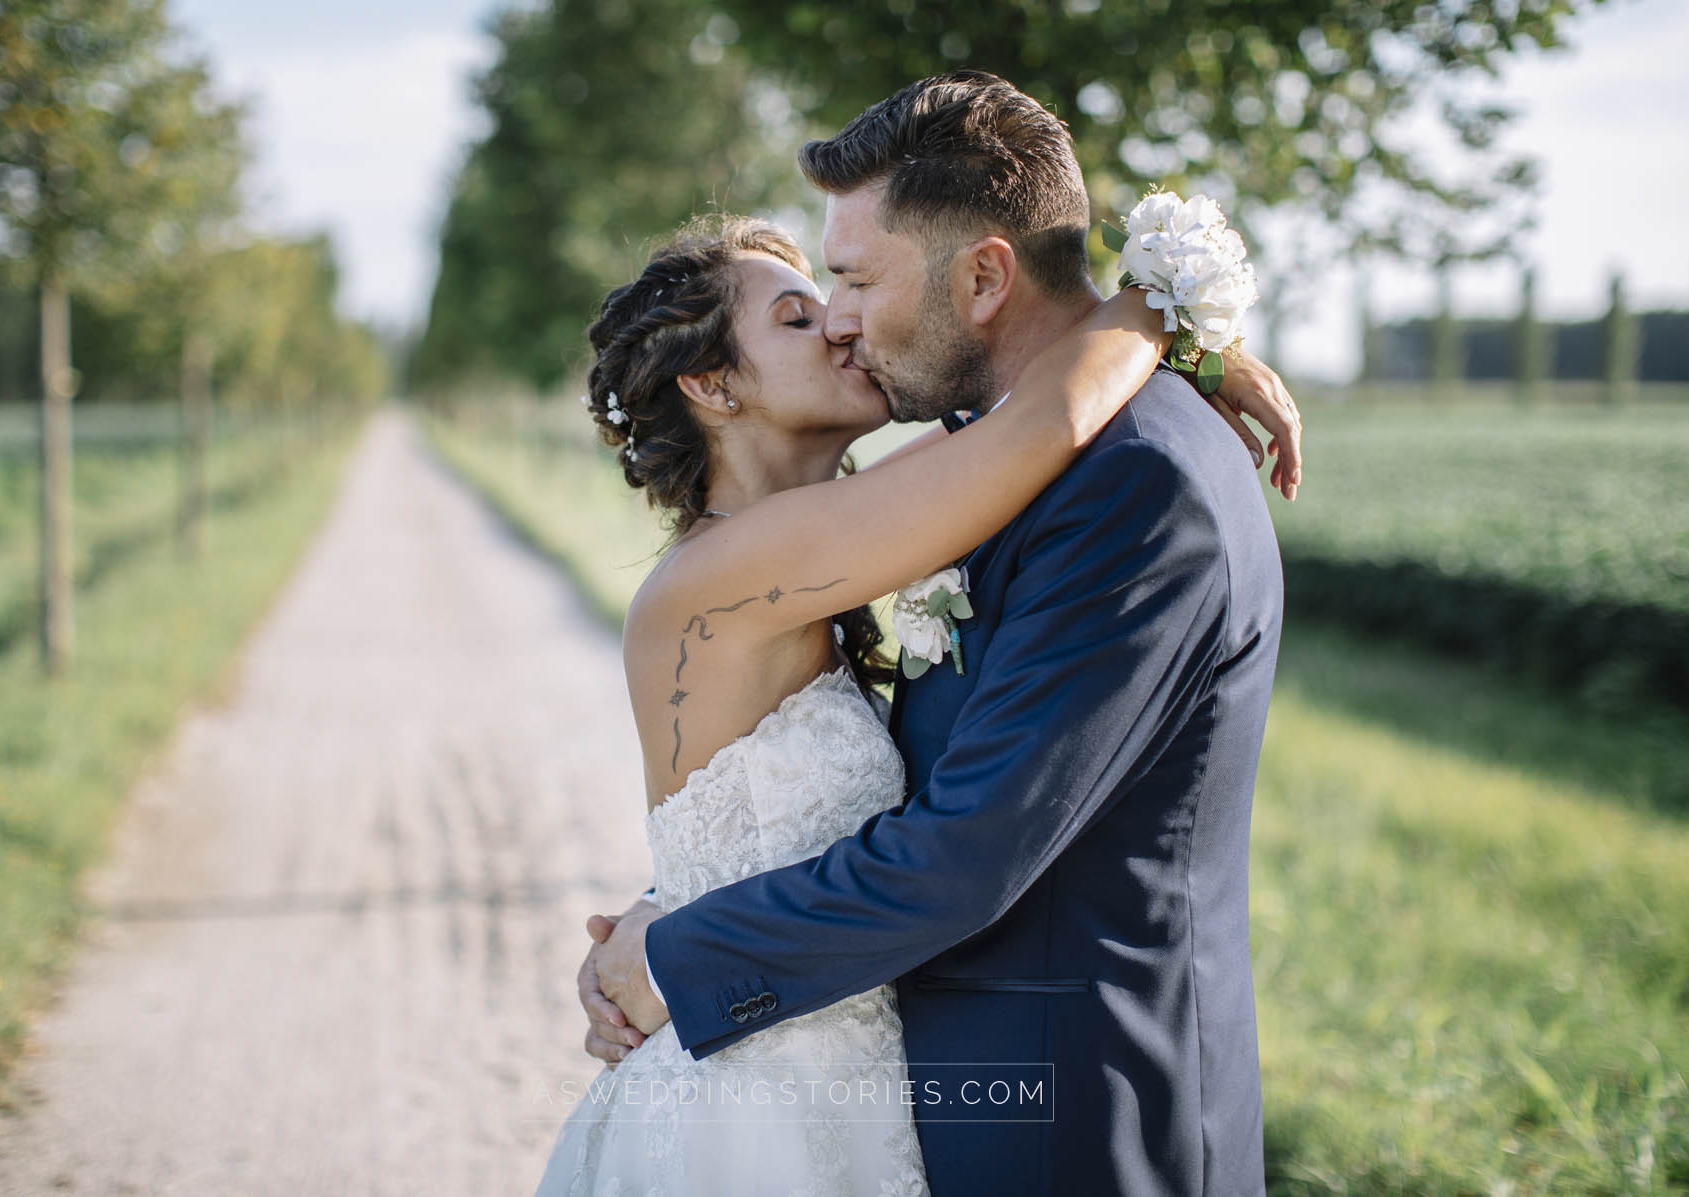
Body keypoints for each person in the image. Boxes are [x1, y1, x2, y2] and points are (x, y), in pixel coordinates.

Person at [551, 72, 1298, 1196]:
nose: (838, 319)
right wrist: (1155, 317)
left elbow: (962, 849)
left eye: (849, 282)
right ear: (712, 386)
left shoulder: (1107, 479)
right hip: (801, 1099)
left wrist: (677, 948)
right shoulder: (809, 539)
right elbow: (1044, 414)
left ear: (985, 276)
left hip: (1064, 1113)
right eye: (804, 309)